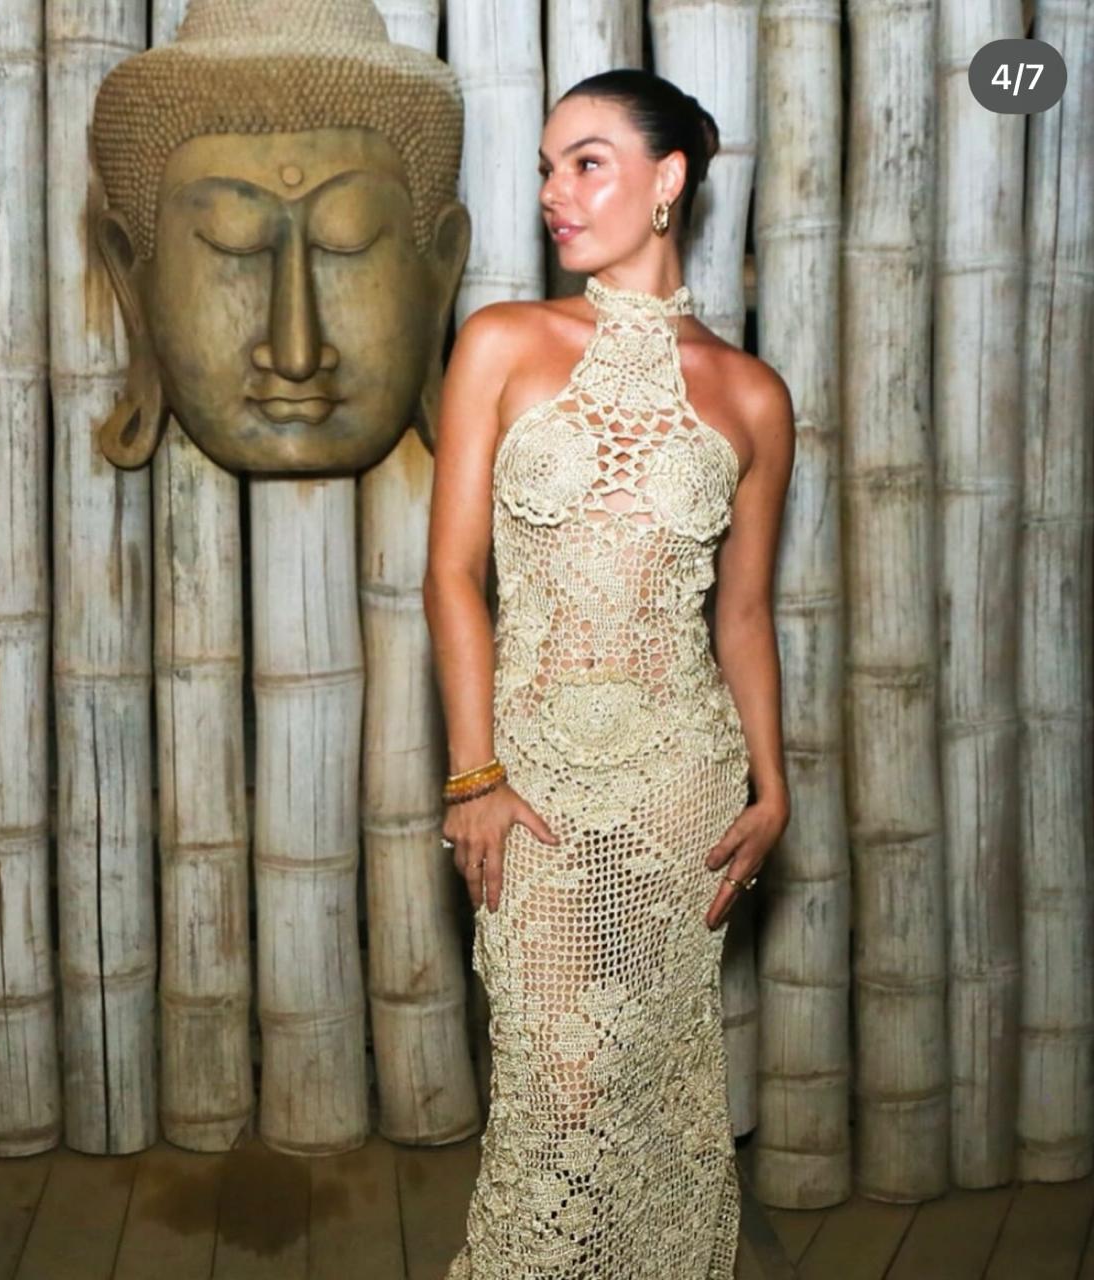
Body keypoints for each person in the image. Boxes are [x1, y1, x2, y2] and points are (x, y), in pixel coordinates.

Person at [423, 67, 793, 1280]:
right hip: (530, 787)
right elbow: (452, 576)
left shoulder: (751, 394)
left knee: (642, 1082)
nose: (555, 192)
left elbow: (743, 613)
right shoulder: (502, 343)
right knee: (556, 1090)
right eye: (546, 168)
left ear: (667, 179)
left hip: (683, 789)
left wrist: (773, 787)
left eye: (586, 162)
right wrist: (473, 772)